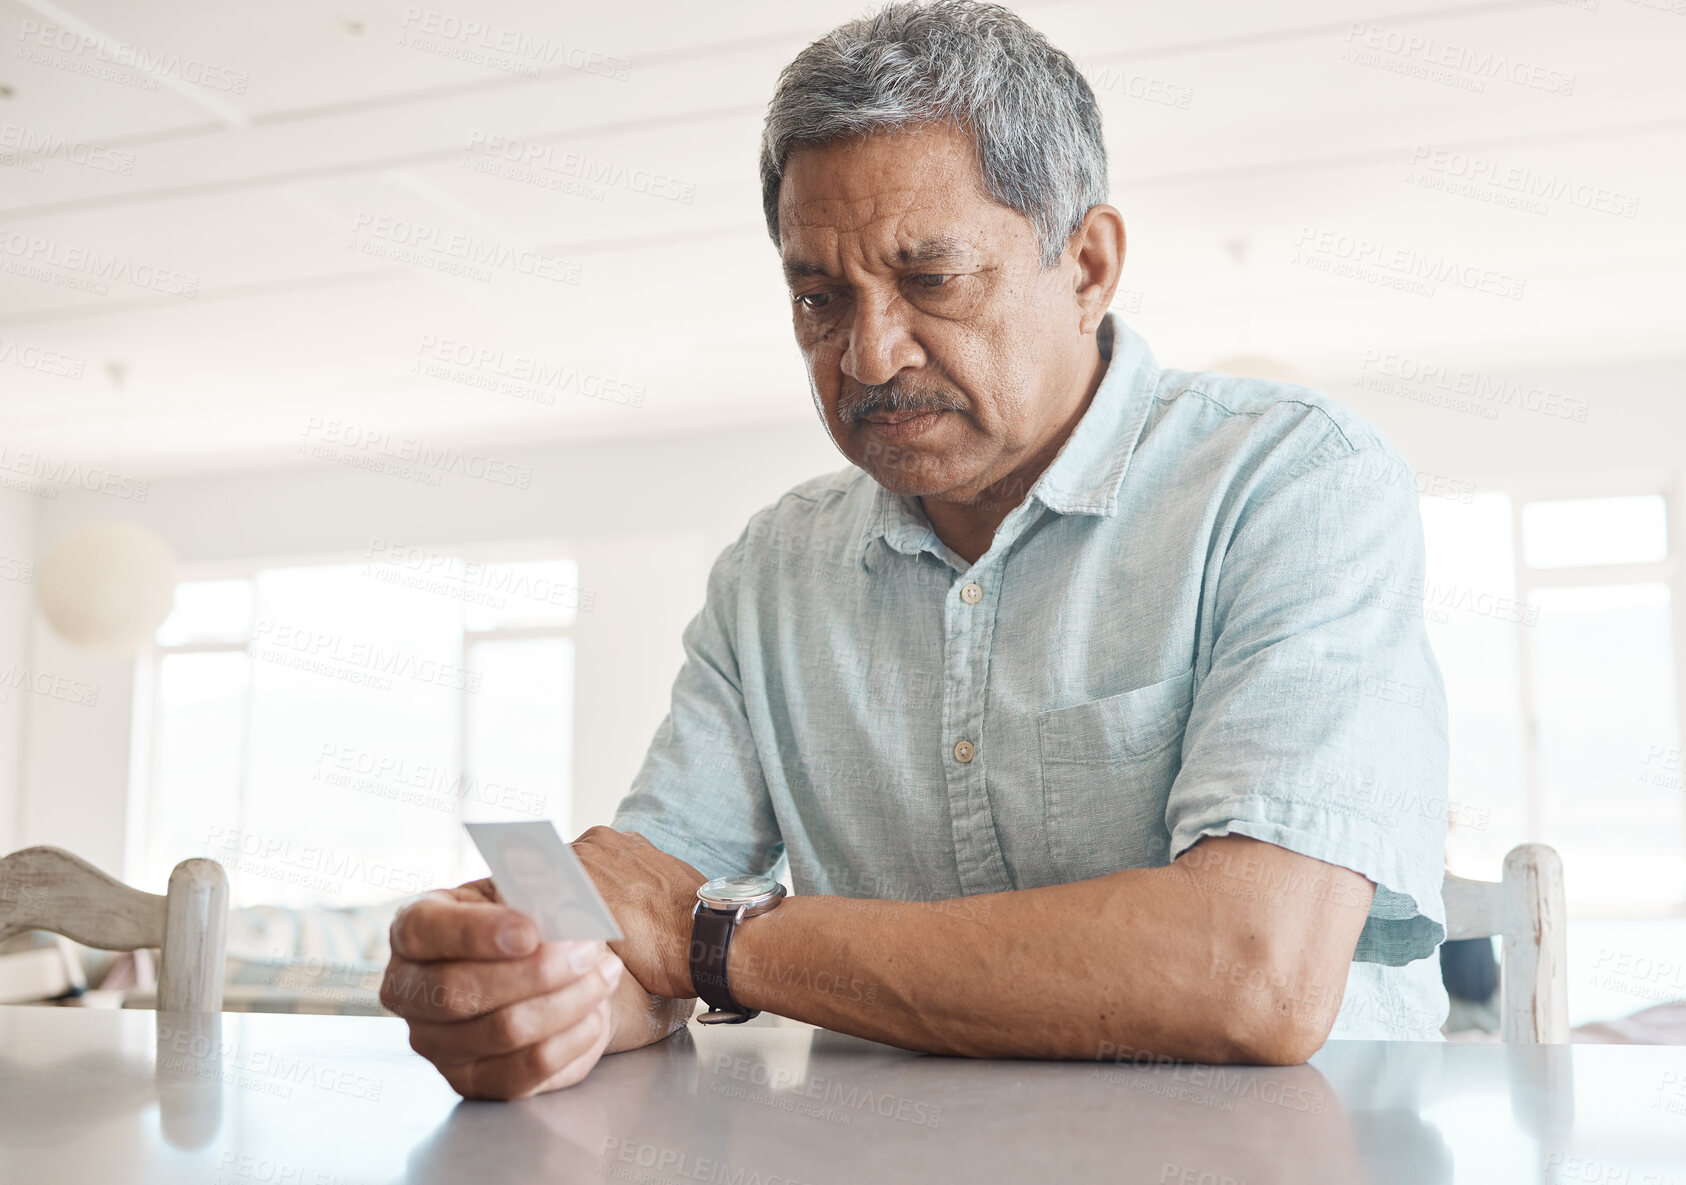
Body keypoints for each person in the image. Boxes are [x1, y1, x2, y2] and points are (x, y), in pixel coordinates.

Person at [380, 0, 1451, 1100]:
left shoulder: (1296, 481)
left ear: (1086, 265)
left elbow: (1250, 975)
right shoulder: (772, 572)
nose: (870, 354)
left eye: (933, 282)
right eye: (818, 296)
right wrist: (533, 986)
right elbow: (639, 902)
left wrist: (711, 943)